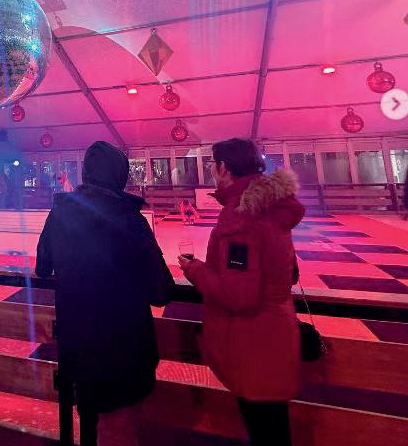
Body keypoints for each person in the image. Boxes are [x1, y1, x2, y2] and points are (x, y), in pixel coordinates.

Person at [36, 141, 174, 446]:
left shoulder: (60, 213)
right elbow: (161, 291)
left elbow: (43, 267)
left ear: (86, 173)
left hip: (78, 348)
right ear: (119, 176)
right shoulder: (130, 220)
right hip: (124, 352)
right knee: (120, 430)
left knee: (89, 423)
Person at [179, 138, 305, 446]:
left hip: (254, 345)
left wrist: (195, 271)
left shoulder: (242, 217)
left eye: (212, 165)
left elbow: (239, 296)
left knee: (265, 430)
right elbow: (288, 272)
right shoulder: (269, 207)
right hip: (276, 335)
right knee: (274, 430)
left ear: (223, 168)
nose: (212, 171)